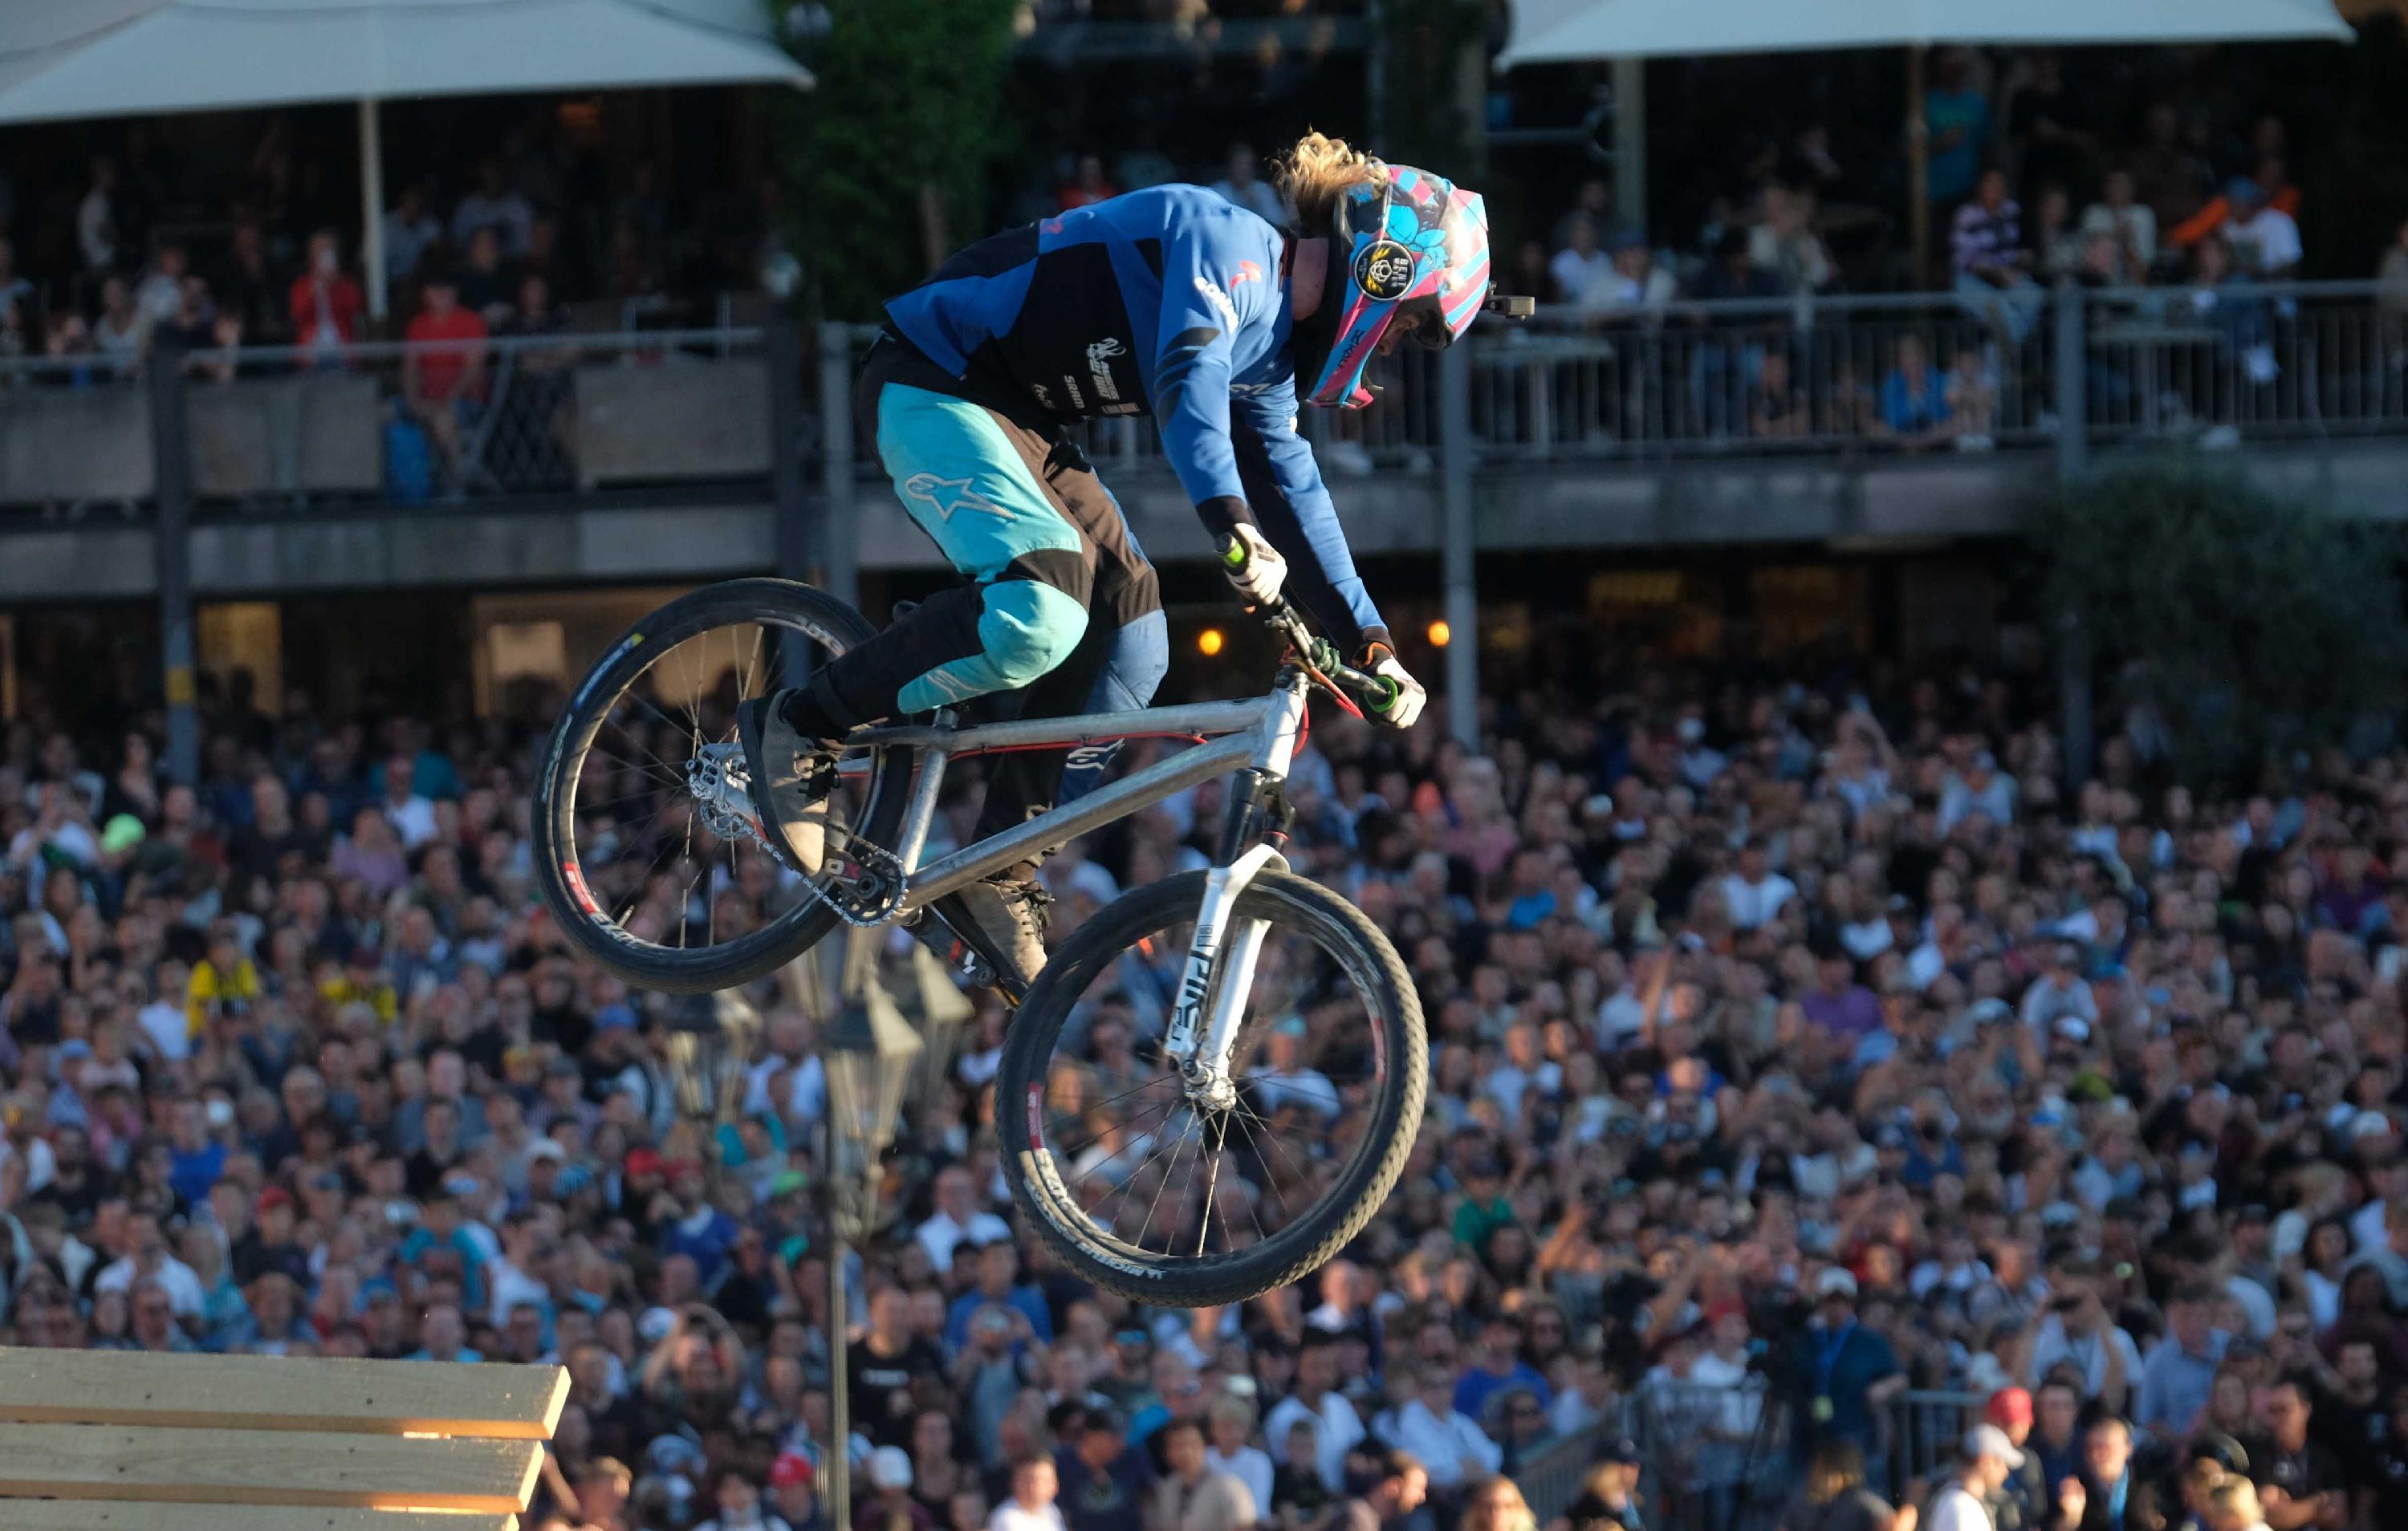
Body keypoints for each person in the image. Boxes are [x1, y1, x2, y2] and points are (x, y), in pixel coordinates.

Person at [732, 132, 1470, 983]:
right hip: (931, 380)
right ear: (1383, 274)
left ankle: (995, 875)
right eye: (1408, 327)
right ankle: (804, 725)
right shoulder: (1223, 240)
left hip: (1021, 422)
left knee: (1135, 641)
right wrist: (1232, 524)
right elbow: (1187, 389)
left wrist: (1373, 641)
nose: (1391, 349)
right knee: (1040, 612)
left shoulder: (1271, 361)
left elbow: (1296, 495)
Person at [1149, 1418, 1255, 1531]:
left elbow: (1243, 1526)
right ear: (1168, 1452)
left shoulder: (1230, 1487)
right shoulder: (1166, 1489)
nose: (1187, 1452)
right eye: (1179, 1446)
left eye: (1193, 1444)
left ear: (1204, 1446)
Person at [1775, 1440, 1898, 1531]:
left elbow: (1892, 1524)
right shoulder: (1802, 1498)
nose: (1823, 1477)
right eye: (1821, 1470)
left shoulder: (1860, 1499)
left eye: (1828, 1472)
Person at [1930, 1424, 2023, 1531]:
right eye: (2000, 1463)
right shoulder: (1961, 1506)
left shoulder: (1963, 1502)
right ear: (1984, 1461)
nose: (2006, 1472)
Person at [995, 1455, 1068, 1531]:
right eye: (1028, 1481)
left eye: (1045, 1481)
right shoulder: (1006, 1517)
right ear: (1014, 1483)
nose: (1036, 1487)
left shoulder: (1051, 1510)